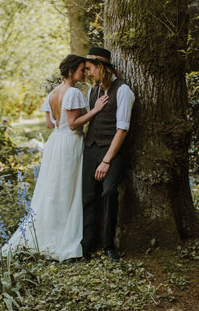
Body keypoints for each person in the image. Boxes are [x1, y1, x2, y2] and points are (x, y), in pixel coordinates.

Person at [0, 54, 108, 262]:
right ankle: (63, 235)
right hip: (70, 143)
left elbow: (50, 124)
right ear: (70, 72)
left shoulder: (53, 93)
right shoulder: (73, 93)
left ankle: (49, 230)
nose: (84, 73)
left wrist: (63, 123)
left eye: (86, 70)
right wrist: (95, 110)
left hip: (55, 142)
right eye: (81, 70)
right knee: (68, 189)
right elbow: (74, 124)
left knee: (53, 188)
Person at [81, 47, 135, 262]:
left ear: (101, 67)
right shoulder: (92, 91)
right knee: (87, 197)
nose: (87, 73)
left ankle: (108, 245)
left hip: (111, 152)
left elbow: (122, 129)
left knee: (109, 193)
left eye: (89, 69)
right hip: (91, 148)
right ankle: (86, 247)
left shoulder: (123, 91)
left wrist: (106, 161)